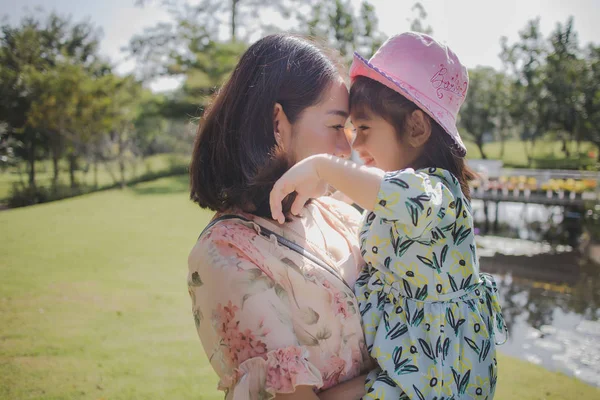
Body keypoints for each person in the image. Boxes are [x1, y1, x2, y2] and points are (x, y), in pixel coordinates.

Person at [270, 32, 507, 400]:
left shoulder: (435, 192)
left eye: (364, 128)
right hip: (409, 363)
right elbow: (369, 192)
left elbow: (388, 192)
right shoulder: (401, 196)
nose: (355, 145)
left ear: (415, 127)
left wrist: (322, 167)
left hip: (438, 373)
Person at [187, 34, 373, 399]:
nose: (346, 148)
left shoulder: (338, 214)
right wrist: (417, 373)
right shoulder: (226, 254)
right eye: (336, 126)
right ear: (277, 123)